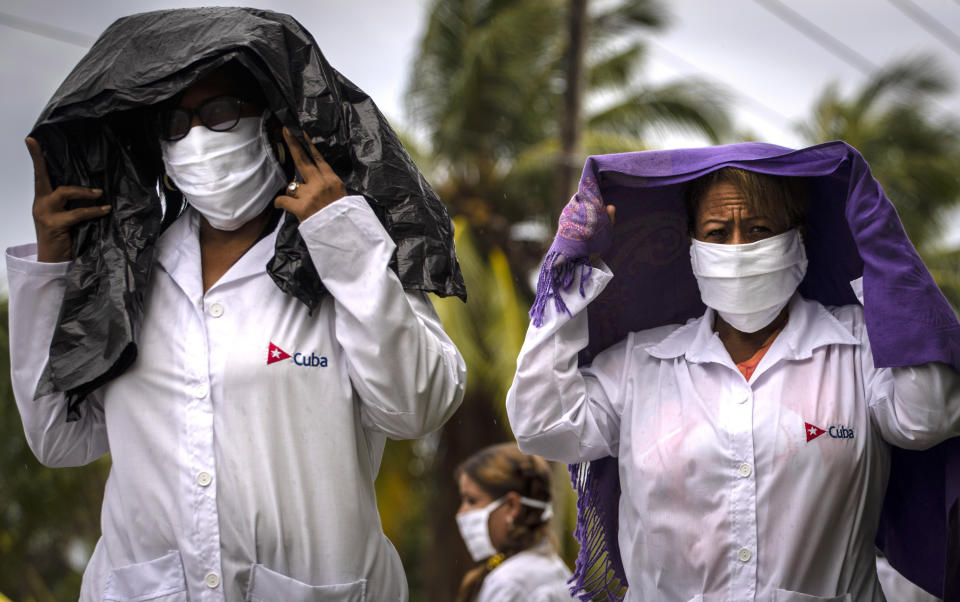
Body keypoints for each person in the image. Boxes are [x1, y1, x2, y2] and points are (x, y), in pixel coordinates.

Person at [9, 8, 466, 601]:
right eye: (174, 122)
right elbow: (59, 439)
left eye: (220, 112)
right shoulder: (126, 275)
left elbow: (417, 408)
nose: (195, 138)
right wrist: (52, 270)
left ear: (276, 123)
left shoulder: (343, 252)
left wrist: (346, 246)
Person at [507, 142, 960, 601]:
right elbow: (541, 423)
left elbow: (928, 416)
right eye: (718, 233)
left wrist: (884, 256)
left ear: (797, 239)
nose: (739, 249)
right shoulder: (642, 363)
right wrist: (565, 279)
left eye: (760, 229)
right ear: (692, 247)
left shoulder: (859, 346)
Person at [454, 443, 573, 602]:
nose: (461, 512)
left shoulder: (510, 585)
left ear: (511, 506)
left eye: (471, 500)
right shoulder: (561, 573)